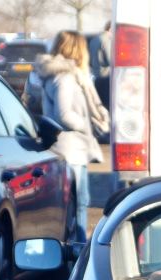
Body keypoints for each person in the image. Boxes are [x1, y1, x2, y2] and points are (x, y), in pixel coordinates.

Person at [36, 30, 109, 222]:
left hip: (70, 149)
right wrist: (87, 127)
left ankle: (74, 244)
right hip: (70, 150)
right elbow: (64, 114)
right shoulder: (65, 78)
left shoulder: (61, 76)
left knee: (76, 204)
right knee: (78, 204)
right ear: (77, 50)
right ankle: (77, 247)